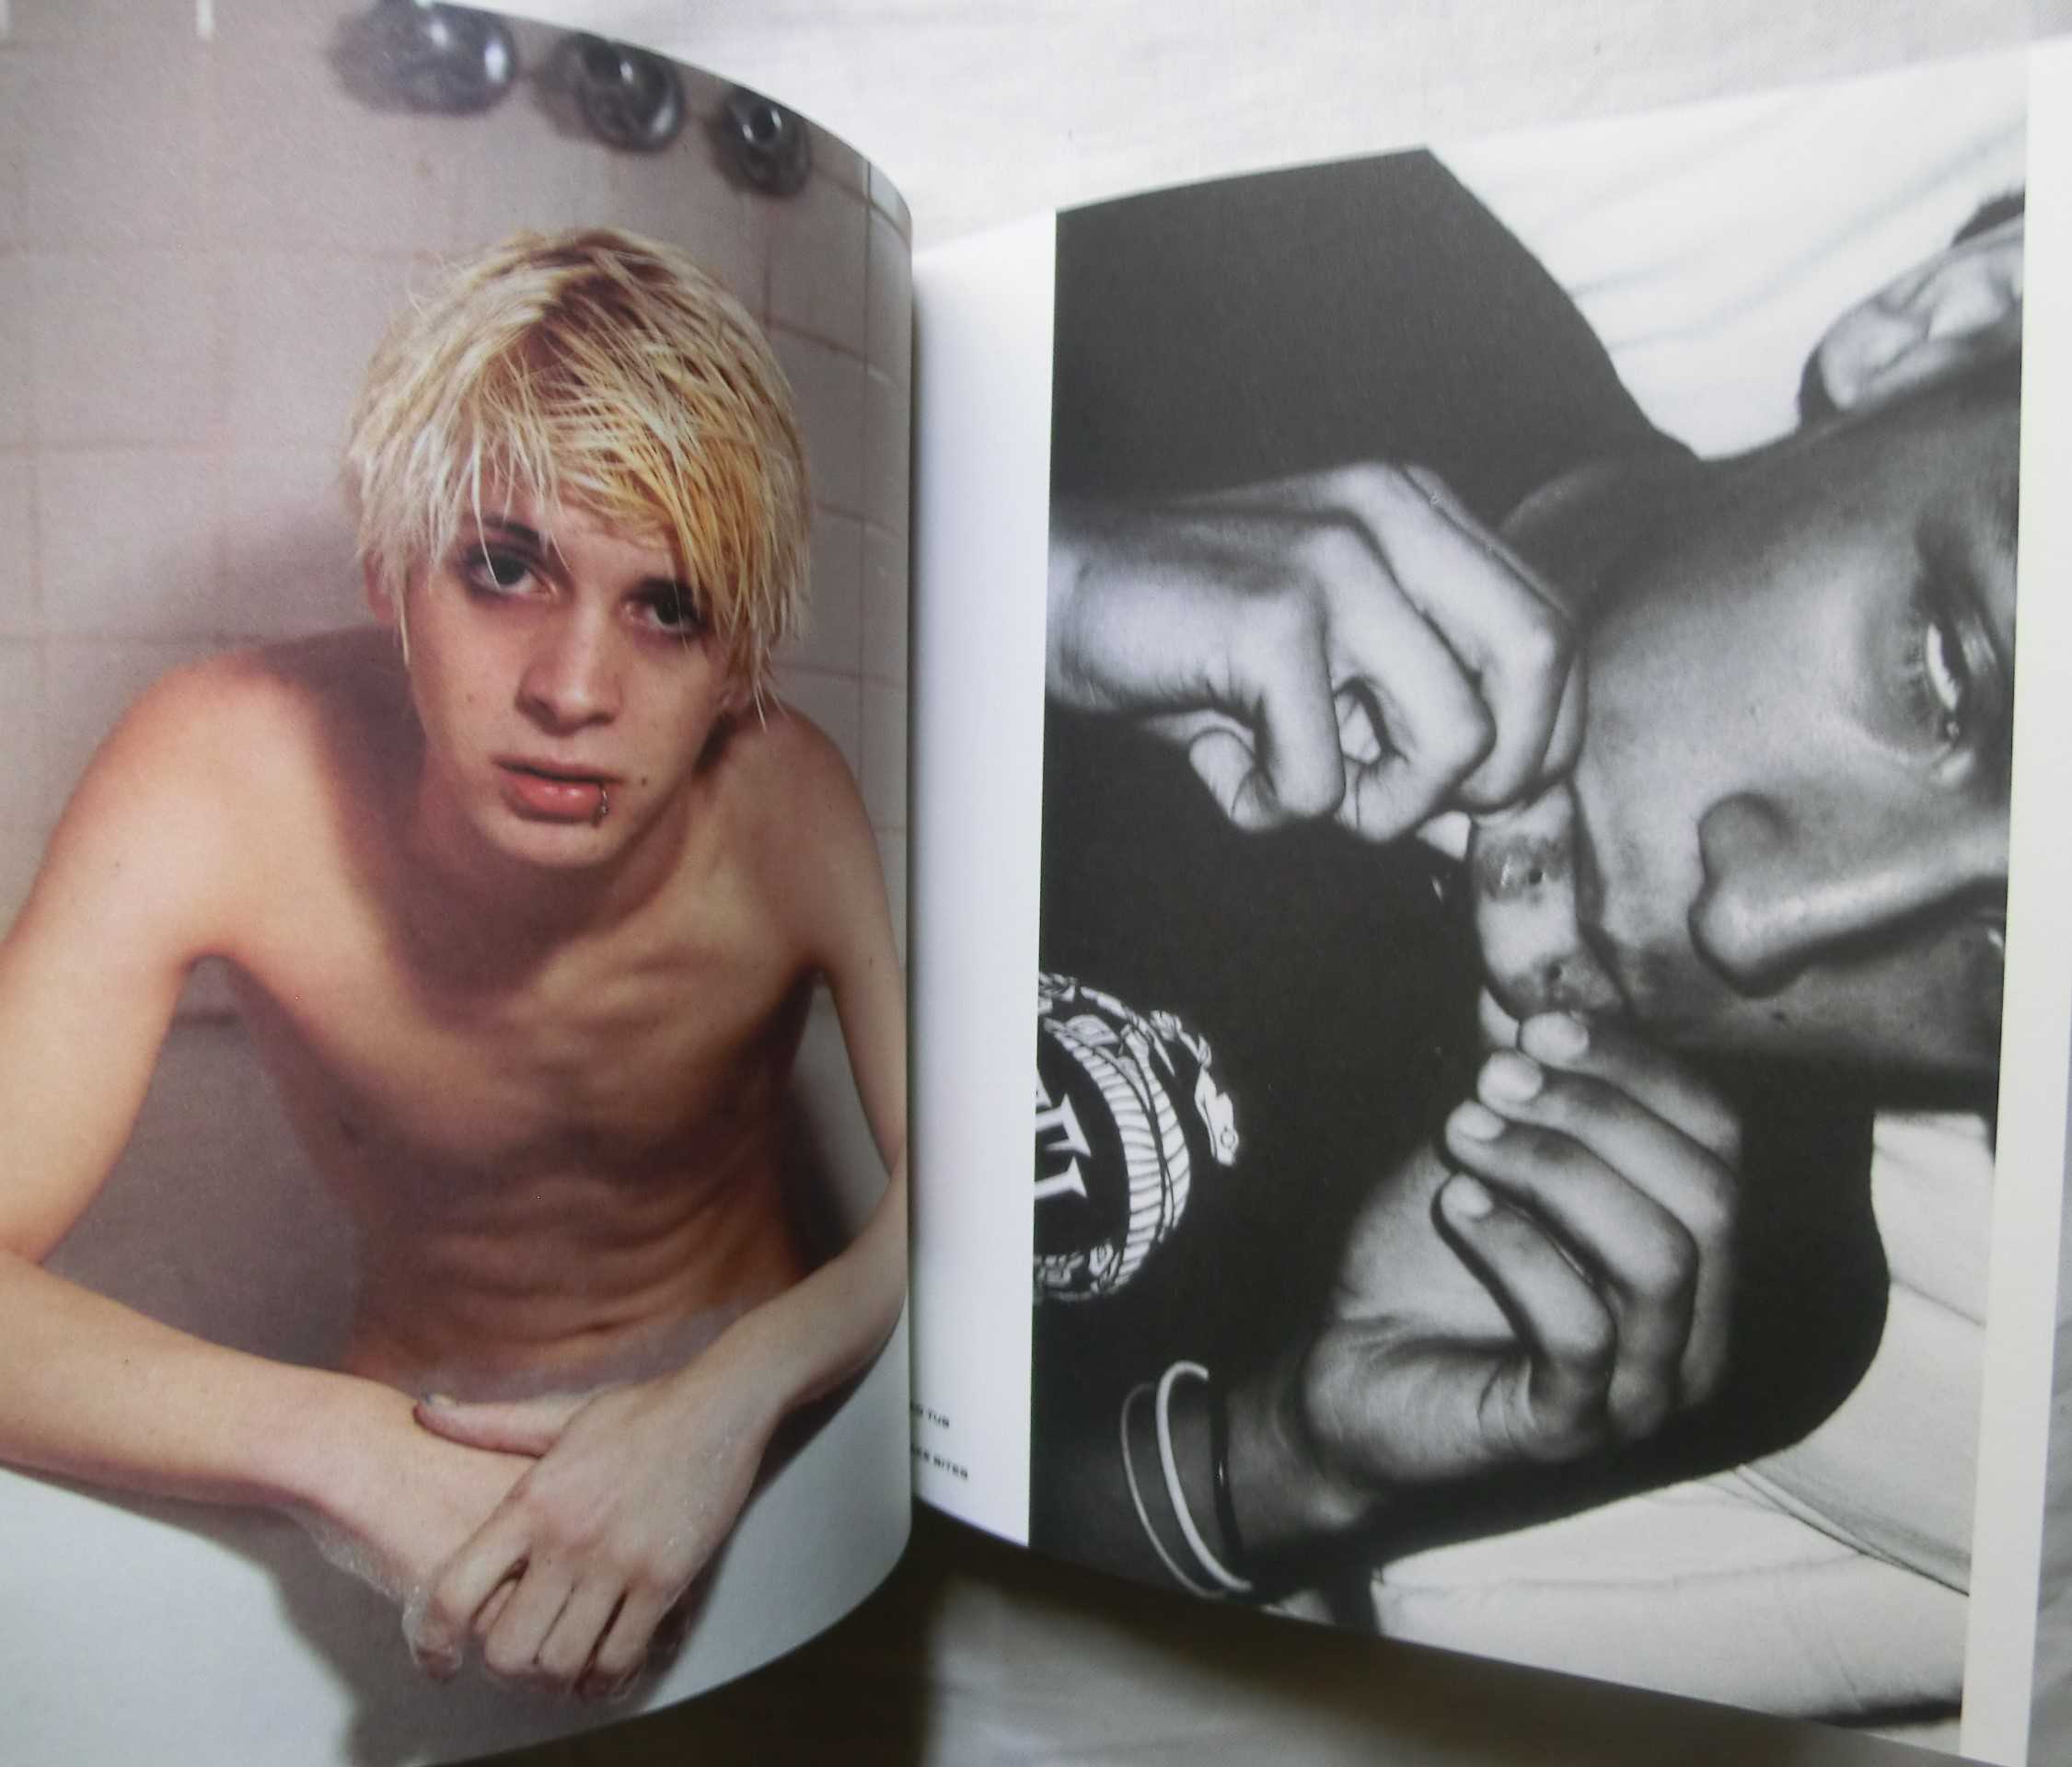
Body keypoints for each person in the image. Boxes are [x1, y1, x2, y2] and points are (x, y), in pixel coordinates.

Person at [1029, 147, 2018, 1645]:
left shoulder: (1742, 1288)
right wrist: (1030, 591)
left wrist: (1289, 1466)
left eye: (2010, 977)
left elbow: (890, 1570)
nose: (1760, 927)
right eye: (1943, 669)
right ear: (1945, 324)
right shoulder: (1293, 243)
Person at [0, 227, 907, 1702]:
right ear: (388, 566)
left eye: (667, 606)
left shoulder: (788, 796)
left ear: (738, 661)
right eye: (503, 569)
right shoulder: (218, 768)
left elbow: (978, 1195)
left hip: (769, 1425)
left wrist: (731, 1397)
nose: (572, 691)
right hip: (414, 1429)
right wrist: (337, 1447)